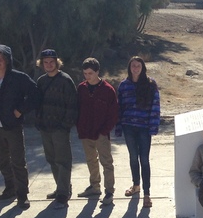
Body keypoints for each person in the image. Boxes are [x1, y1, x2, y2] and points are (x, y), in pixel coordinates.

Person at [0, 44, 40, 210]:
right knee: (1, 161)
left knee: (18, 162)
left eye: (1, 59)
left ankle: (22, 194)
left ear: (7, 61)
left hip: (12, 127)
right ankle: (10, 187)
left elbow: (35, 94)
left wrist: (21, 110)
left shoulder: (18, 78)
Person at [35, 49, 78, 209]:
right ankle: (62, 187)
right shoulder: (41, 81)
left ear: (57, 62)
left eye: (51, 61)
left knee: (63, 161)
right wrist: (38, 122)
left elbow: (73, 105)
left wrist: (66, 125)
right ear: (41, 64)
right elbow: (37, 103)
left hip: (60, 128)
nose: (48, 64)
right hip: (45, 128)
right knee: (51, 160)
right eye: (45, 62)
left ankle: (62, 193)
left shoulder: (65, 80)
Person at [116, 56, 160, 208]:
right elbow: (119, 107)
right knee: (133, 157)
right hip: (129, 127)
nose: (135, 68)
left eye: (138, 66)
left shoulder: (150, 84)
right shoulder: (123, 85)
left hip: (144, 128)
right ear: (129, 68)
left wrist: (153, 126)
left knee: (144, 159)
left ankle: (147, 194)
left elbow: (155, 106)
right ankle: (136, 186)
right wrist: (118, 127)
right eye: (133, 66)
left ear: (143, 68)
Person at [76, 57, 118, 206]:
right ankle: (94, 186)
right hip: (85, 132)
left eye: (91, 73)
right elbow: (77, 109)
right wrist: (79, 126)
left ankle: (109, 192)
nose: (88, 76)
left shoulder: (108, 90)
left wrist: (104, 130)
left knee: (106, 162)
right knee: (91, 160)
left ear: (97, 72)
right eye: (85, 73)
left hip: (101, 133)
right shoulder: (81, 88)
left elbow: (113, 113)